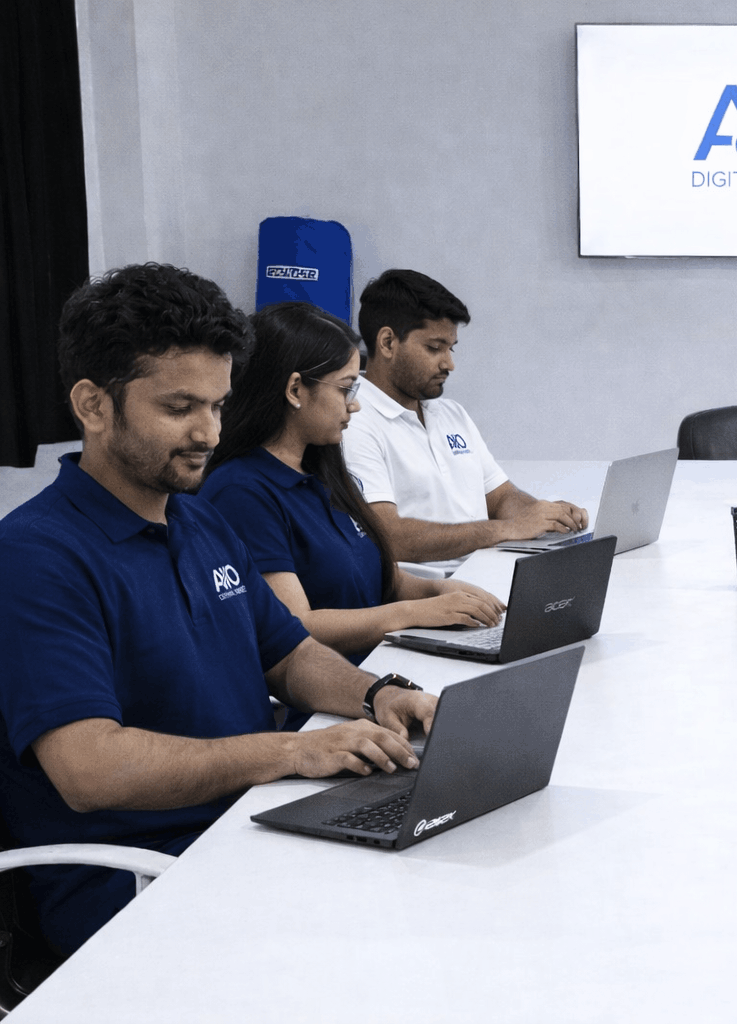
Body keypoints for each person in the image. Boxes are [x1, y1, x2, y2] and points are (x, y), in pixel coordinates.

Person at [0, 264, 435, 955]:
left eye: (219, 405)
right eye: (179, 408)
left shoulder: (199, 521)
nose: (208, 432)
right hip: (139, 885)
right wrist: (293, 750)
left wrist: (378, 693)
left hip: (247, 828)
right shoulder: (35, 557)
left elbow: (288, 656)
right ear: (92, 406)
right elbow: (91, 770)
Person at [201, 302, 506, 666]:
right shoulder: (242, 492)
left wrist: (439, 590)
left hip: (385, 664)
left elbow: (377, 574)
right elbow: (295, 625)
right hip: (335, 688)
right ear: (296, 390)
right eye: (346, 388)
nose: (356, 405)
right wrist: (415, 612)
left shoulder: (320, 468)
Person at [342, 269, 586, 570]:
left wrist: (545, 515)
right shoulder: (351, 419)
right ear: (388, 342)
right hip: (427, 595)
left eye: (451, 348)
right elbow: (387, 536)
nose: (449, 364)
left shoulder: (451, 414)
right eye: (434, 348)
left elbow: (500, 497)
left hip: (489, 575)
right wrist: (507, 530)